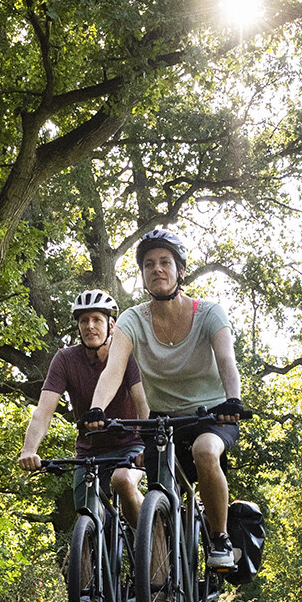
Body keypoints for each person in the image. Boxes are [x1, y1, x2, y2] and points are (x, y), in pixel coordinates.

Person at [84, 228, 244, 569]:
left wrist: (233, 401)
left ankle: (220, 538)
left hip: (212, 416)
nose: (157, 269)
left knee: (205, 451)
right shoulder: (132, 320)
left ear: (180, 270)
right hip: (162, 421)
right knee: (161, 496)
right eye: (148, 264)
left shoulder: (209, 313)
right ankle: (162, 573)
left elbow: (227, 361)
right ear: (142, 274)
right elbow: (113, 371)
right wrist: (96, 408)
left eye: (165, 262)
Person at [18, 289, 149, 523]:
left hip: (130, 445)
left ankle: (148, 535)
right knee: (88, 516)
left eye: (97, 319)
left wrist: (148, 445)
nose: (90, 326)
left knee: (124, 480)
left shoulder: (126, 354)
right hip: (90, 452)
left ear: (111, 325)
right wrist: (29, 450)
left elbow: (142, 402)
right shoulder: (65, 359)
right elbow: (43, 412)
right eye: (84, 321)